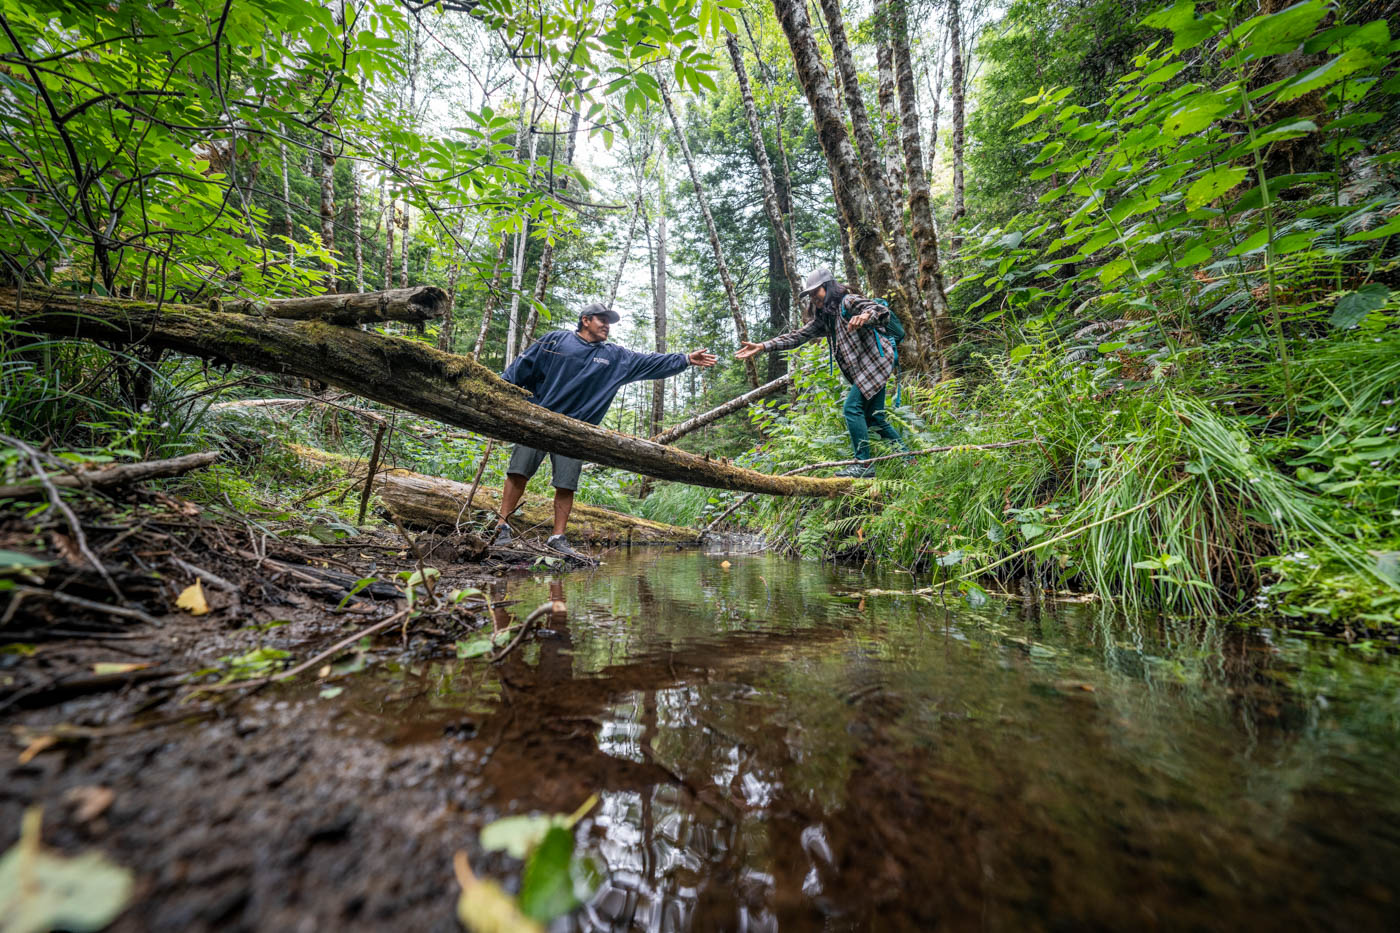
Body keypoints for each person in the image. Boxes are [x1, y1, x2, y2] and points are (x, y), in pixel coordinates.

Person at [494, 302, 717, 558]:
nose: (607, 325)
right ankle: (502, 526)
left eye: (609, 322)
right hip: (539, 419)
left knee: (566, 485)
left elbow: (648, 362)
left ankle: (557, 537)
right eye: (602, 320)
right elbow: (522, 367)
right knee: (518, 473)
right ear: (585, 320)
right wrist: (499, 392)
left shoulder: (614, 357)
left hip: (577, 430)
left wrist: (685, 359)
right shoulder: (556, 341)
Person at [736, 267, 905, 478]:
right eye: (810, 294)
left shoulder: (848, 302)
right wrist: (762, 346)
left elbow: (881, 312)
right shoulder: (826, 319)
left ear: (828, 287)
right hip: (866, 370)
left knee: (852, 408)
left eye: (816, 291)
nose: (813, 297)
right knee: (874, 418)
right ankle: (909, 459)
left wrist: (865, 316)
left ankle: (864, 466)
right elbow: (797, 337)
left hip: (876, 364)